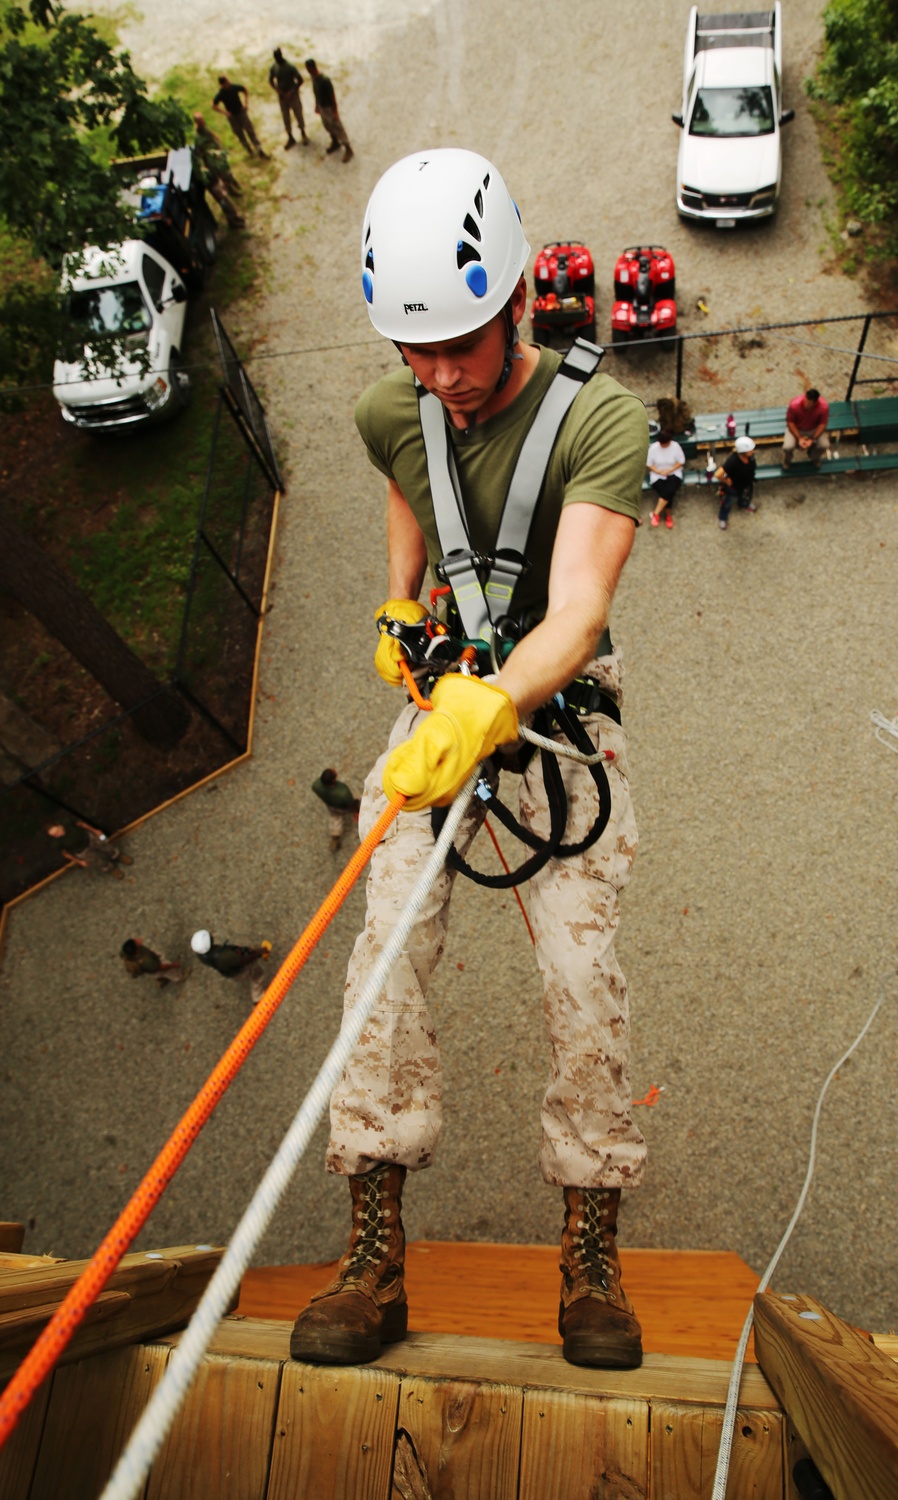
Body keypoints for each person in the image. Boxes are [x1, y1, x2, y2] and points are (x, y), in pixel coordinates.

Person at [290, 148, 649, 1375]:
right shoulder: (395, 408)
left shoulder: (601, 418)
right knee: (379, 964)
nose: (438, 377)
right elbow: (414, 488)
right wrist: (398, 608)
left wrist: (488, 705)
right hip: (444, 697)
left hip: (554, 721)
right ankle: (374, 1255)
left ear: (513, 306)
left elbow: (578, 611)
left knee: (583, 981)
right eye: (413, 350)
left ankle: (590, 1248)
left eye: (459, 346)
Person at [191, 113, 245, 228]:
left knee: (226, 196)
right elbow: (200, 158)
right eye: (200, 121)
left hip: (215, 172)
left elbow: (214, 137)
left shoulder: (206, 131)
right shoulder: (198, 141)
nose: (203, 123)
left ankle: (234, 217)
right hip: (212, 179)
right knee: (224, 200)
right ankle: (232, 221)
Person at [191, 930, 272, 1003]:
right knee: (257, 975)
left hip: (228, 971)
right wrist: (259, 953)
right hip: (239, 971)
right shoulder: (224, 956)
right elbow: (243, 960)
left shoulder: (202, 955)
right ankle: (258, 997)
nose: (211, 935)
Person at [304, 59, 353, 162]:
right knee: (327, 125)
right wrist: (317, 105)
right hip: (322, 107)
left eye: (308, 69)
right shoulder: (314, 79)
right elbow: (315, 92)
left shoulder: (325, 80)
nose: (308, 71)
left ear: (313, 68)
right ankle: (335, 142)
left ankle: (348, 148)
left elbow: (332, 96)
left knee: (337, 127)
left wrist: (335, 111)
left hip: (329, 107)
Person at [48, 820, 132, 879]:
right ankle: (111, 869)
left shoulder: (68, 822)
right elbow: (65, 854)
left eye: (58, 831)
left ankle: (118, 855)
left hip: (89, 839)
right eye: (55, 835)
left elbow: (82, 824)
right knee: (97, 860)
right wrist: (79, 861)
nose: (58, 834)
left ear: (59, 825)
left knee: (105, 846)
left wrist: (95, 831)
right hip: (82, 851)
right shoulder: (57, 843)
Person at [212, 76, 268, 159]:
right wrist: (225, 113)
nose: (228, 83)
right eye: (226, 82)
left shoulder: (233, 87)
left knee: (250, 131)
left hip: (241, 112)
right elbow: (213, 105)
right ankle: (249, 150)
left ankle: (259, 149)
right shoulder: (221, 93)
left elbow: (244, 89)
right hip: (232, 116)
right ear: (222, 84)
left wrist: (246, 103)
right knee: (240, 134)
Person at [713, 435, 757, 530]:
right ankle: (723, 517)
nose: (753, 452)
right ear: (743, 452)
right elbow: (719, 474)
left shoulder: (750, 457)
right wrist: (727, 481)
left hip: (746, 483)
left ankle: (743, 504)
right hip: (734, 487)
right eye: (750, 450)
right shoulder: (733, 461)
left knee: (744, 495)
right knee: (728, 502)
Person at [646, 427, 685, 529]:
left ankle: (656, 513)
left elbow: (681, 461)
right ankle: (668, 514)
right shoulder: (653, 448)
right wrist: (658, 471)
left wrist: (670, 470)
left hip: (673, 473)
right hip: (657, 474)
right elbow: (649, 464)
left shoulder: (675, 446)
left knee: (668, 490)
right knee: (668, 492)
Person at [269, 48, 308, 149]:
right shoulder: (274, 67)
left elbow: (300, 80)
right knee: (285, 117)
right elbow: (271, 80)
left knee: (298, 114)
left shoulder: (290, 67)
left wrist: (292, 91)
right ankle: (290, 136)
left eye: (278, 56)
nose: (277, 58)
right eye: (275, 57)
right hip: (282, 96)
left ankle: (303, 133)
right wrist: (278, 91)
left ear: (281, 55)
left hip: (292, 95)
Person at [782, 387, 830, 471]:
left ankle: (814, 457)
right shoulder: (794, 405)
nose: (805, 404)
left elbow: (822, 425)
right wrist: (799, 438)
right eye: (805, 401)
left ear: (815, 402)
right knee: (787, 447)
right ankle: (787, 461)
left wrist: (813, 439)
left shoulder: (823, 407)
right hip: (797, 429)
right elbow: (790, 423)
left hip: (813, 429)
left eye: (809, 403)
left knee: (824, 445)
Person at [312, 768, 360, 850]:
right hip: (344, 807)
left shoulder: (316, 785)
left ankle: (335, 838)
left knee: (336, 820)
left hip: (331, 806)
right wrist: (357, 811)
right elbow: (351, 803)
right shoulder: (343, 792)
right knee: (359, 798)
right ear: (333, 780)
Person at [120, 939, 187, 985]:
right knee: (169, 972)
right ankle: (180, 977)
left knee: (158, 974)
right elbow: (162, 967)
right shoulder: (147, 961)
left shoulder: (130, 954)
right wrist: (172, 965)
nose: (137, 940)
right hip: (157, 966)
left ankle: (162, 980)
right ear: (136, 950)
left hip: (152, 966)